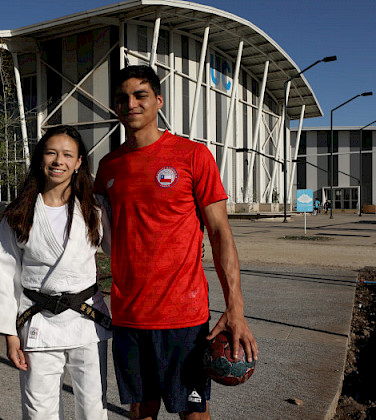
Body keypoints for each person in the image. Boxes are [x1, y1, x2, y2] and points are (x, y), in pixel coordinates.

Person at [94, 65, 258, 420]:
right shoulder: (108, 167)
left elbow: (219, 233)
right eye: (122, 98)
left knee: (194, 415)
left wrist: (236, 308)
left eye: (141, 95)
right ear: (115, 107)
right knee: (142, 412)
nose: (131, 103)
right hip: (129, 317)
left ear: (158, 101)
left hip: (184, 317)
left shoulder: (192, 156)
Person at [0, 125, 112, 420]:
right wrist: (9, 334)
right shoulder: (19, 212)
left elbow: (123, 251)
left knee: (94, 409)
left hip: (86, 321)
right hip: (38, 322)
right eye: (51, 153)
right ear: (40, 158)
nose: (59, 161)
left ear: (79, 162)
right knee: (39, 411)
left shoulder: (94, 209)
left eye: (68, 154)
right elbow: (3, 273)